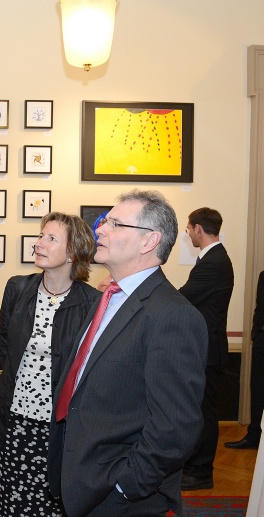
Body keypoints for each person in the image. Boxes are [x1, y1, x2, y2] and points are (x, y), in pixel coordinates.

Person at [49, 189, 208, 517]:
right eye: (104, 221)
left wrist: (126, 486)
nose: (100, 230)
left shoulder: (173, 315)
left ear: (149, 241)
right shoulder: (107, 298)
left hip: (120, 498)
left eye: (115, 224)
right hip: (79, 479)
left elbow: (175, 426)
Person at [0, 212, 99, 516]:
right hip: (14, 420)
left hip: (60, 428)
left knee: (54, 505)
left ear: (72, 252)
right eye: (41, 235)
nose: (39, 243)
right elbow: (7, 348)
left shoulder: (91, 303)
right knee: (14, 501)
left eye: (51, 238)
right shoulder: (17, 289)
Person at [179, 207, 234, 490]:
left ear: (199, 228)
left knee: (204, 413)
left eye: (189, 229)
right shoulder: (212, 259)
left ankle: (201, 472)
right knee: (199, 411)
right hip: (204, 348)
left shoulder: (213, 261)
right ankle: (195, 466)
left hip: (207, 351)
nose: (188, 235)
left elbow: (183, 298)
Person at [226, 270, 264, 450]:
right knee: (258, 391)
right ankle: (254, 436)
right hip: (262, 343)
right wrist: (256, 334)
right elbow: (260, 307)